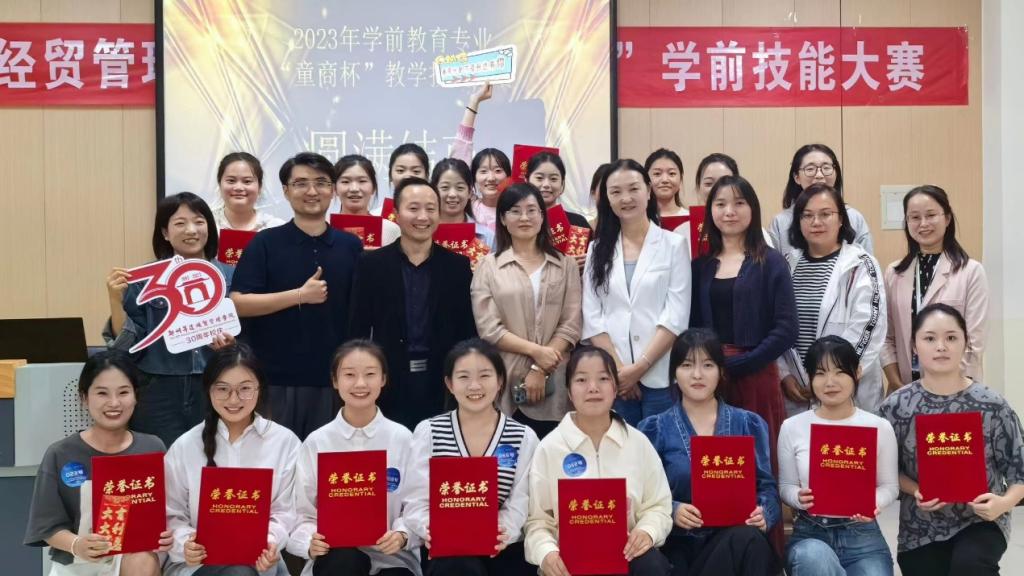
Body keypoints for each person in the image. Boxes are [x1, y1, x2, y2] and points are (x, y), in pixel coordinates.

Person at [879, 304, 1024, 576]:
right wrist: (915, 490)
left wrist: (1002, 504)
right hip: (920, 525)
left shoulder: (992, 405)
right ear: (914, 346)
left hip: (981, 519)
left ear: (965, 343)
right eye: (929, 338)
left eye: (951, 337)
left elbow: (1020, 473)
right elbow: (885, 470)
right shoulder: (896, 407)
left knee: (970, 566)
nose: (941, 347)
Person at [230, 152, 363, 439]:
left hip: (335, 381)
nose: (312, 191)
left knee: (327, 462)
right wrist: (299, 295)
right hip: (275, 381)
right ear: (286, 191)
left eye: (321, 183)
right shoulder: (265, 242)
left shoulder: (351, 246)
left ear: (333, 190)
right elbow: (238, 303)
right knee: (276, 460)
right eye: (301, 183)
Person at [639, 329, 779, 576]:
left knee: (749, 539)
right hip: (678, 546)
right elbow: (642, 497)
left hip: (731, 540)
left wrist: (763, 513)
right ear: (674, 374)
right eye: (686, 365)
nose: (697, 374)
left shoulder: (748, 424)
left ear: (721, 372)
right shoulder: (654, 429)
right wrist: (673, 509)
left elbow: (766, 488)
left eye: (707, 365)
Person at [524, 346, 673, 576]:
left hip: (626, 558)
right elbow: (537, 521)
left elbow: (659, 506)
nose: (593, 388)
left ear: (615, 388)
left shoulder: (638, 443)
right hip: (571, 564)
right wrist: (546, 553)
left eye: (603, 378)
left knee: (652, 564)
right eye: (581, 380)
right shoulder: (549, 448)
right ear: (569, 392)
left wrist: (647, 531)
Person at [104, 192, 236, 447]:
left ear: (209, 227)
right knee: (159, 458)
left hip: (216, 383)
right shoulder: (144, 279)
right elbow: (125, 347)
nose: (191, 230)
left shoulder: (231, 277)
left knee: (214, 457)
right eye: (180, 223)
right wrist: (114, 301)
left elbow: (248, 338)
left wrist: (232, 347)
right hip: (158, 388)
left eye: (199, 221)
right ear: (165, 232)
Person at [23, 351, 170, 576]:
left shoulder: (153, 447)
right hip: (77, 562)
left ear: (136, 396)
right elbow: (47, 527)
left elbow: (169, 512)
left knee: (142, 559)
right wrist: (78, 544)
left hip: (134, 560)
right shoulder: (60, 454)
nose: (114, 403)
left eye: (123, 392)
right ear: (84, 398)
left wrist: (169, 533)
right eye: (102, 393)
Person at [348, 177, 477, 431]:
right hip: (388, 379)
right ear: (396, 214)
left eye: (431, 209)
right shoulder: (371, 264)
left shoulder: (458, 267)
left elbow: (466, 331)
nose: (423, 217)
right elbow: (358, 328)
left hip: (442, 381)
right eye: (413, 208)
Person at [402, 339, 539, 575]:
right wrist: (432, 529)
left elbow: (521, 500)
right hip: (446, 549)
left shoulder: (523, 437)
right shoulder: (429, 432)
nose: (474, 386)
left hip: (501, 548)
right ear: (450, 384)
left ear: (500, 381)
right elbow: (416, 500)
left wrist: (499, 532)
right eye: (464, 377)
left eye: (484, 376)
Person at [689, 175, 797, 471]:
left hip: (757, 374)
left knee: (756, 460)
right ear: (710, 211)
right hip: (709, 376)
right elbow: (692, 327)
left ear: (753, 209)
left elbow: (787, 328)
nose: (729, 212)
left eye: (739, 203)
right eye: (720, 204)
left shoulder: (771, 262)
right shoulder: (700, 266)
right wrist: (711, 365)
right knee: (715, 461)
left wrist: (744, 362)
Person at [164, 344, 300, 576]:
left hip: (260, 562)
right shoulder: (185, 445)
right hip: (199, 565)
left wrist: (268, 541)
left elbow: (287, 511)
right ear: (208, 390)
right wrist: (186, 543)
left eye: (245, 388)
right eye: (223, 389)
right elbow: (170, 512)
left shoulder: (285, 442)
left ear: (259, 389)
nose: (234, 399)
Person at [288, 340, 421, 576]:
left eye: (370, 374)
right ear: (335, 381)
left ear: (383, 379)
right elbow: (302, 512)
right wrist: (309, 541)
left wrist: (402, 534)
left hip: (392, 558)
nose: (360, 383)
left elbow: (417, 504)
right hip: (335, 558)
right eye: (349, 374)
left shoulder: (403, 438)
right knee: (344, 560)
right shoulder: (317, 442)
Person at [582, 159, 690, 426]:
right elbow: (593, 316)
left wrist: (639, 368)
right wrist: (621, 371)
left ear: (648, 190)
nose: (626, 198)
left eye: (633, 189)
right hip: (614, 377)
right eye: (616, 192)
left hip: (660, 374)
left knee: (661, 445)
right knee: (620, 446)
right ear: (607, 198)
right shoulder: (597, 249)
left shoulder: (674, 244)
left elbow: (676, 315)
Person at [779, 336, 899, 576]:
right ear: (810, 378)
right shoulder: (792, 427)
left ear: (857, 372)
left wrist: (873, 501)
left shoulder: (878, 426)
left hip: (862, 537)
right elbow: (786, 486)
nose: (830, 382)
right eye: (820, 373)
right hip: (811, 532)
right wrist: (797, 497)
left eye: (840, 372)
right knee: (813, 557)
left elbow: (890, 487)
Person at [471, 182, 582, 438]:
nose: (524, 217)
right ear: (502, 218)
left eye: (532, 210)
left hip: (555, 381)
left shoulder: (565, 265)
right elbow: (489, 328)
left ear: (542, 217)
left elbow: (571, 323)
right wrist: (537, 353)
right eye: (515, 211)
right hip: (505, 379)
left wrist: (540, 369)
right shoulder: (488, 267)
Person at [778, 184, 887, 415]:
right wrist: (784, 374)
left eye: (825, 214)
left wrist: (829, 377)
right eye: (807, 215)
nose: (816, 222)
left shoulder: (861, 264)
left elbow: (869, 325)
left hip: (848, 388)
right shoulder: (786, 264)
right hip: (797, 389)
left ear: (841, 220)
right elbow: (775, 326)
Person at [882, 185, 988, 389]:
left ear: (947, 218)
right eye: (915, 217)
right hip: (907, 387)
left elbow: (974, 342)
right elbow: (886, 337)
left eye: (931, 215)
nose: (923, 224)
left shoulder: (971, 271)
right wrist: (897, 383)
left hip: (957, 387)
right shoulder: (894, 273)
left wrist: (943, 387)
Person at [769, 144, 873, 257]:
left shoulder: (854, 217)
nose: (819, 175)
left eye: (826, 168)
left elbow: (867, 261)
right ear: (796, 177)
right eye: (810, 169)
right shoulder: (781, 222)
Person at [448, 82, 510, 232]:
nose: (491, 178)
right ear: (473, 178)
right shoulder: (469, 207)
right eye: (483, 171)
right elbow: (460, 155)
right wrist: (474, 101)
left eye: (498, 170)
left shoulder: (517, 210)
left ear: (509, 176)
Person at [334, 154, 401, 247]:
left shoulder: (390, 229)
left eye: (362, 181)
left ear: (373, 187)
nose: (354, 189)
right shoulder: (324, 229)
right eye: (345, 181)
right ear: (335, 188)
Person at [430, 157, 496, 249]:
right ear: (433, 191)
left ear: (470, 192)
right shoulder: (422, 232)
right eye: (445, 187)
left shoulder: (486, 237)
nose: (452, 194)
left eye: (460, 188)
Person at [212, 152, 284, 232]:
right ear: (220, 184)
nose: (239, 188)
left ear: (259, 187)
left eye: (247, 181)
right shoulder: (207, 224)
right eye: (231, 180)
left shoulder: (277, 228)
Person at [645, 148, 687, 218]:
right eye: (657, 173)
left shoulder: (691, 219)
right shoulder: (639, 219)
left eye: (671, 173)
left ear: (681, 179)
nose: (665, 180)